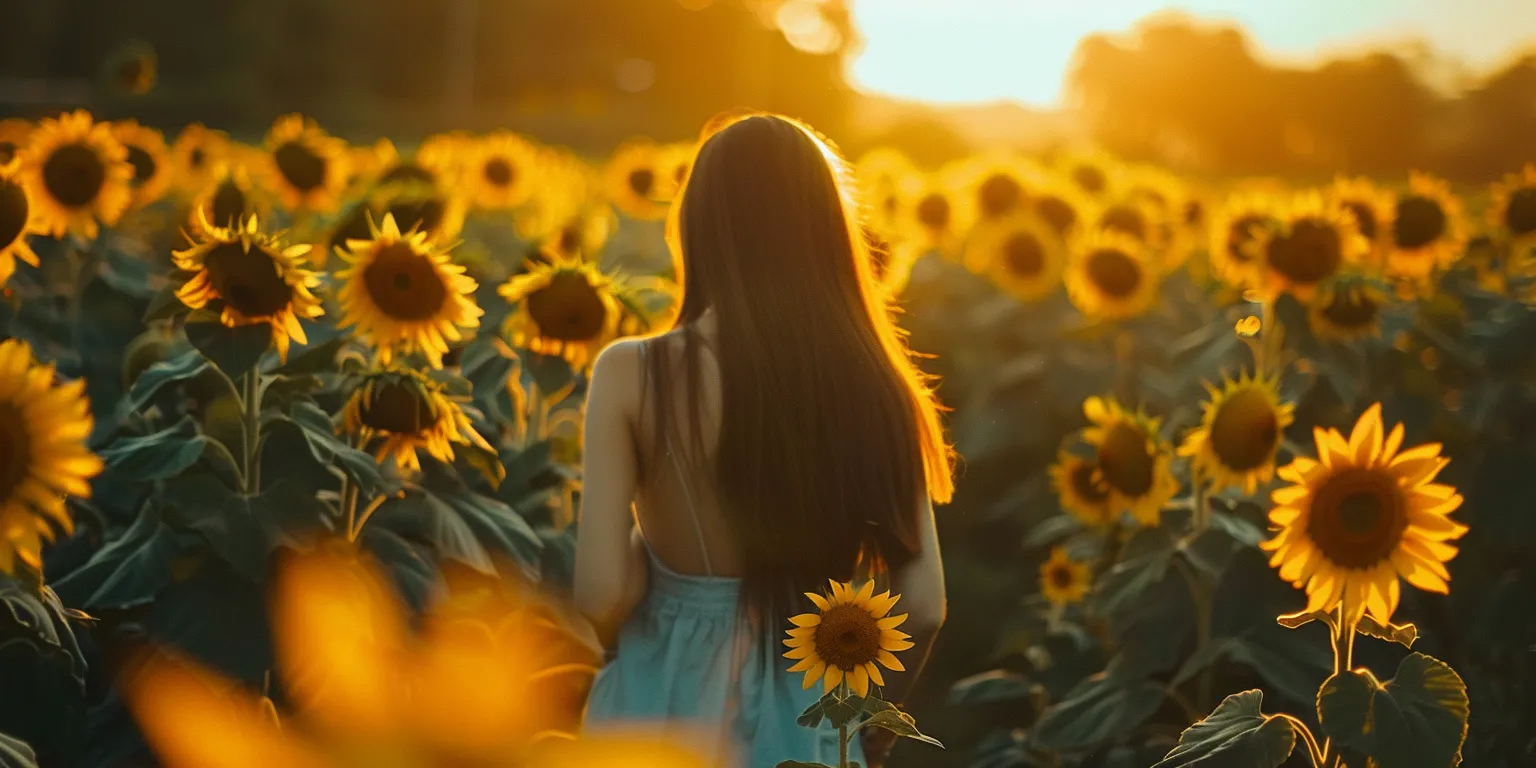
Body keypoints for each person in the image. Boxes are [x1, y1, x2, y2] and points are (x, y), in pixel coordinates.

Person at [576, 112, 953, 768]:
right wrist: (867, 715)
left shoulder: (634, 371)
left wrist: (655, 560)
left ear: (699, 226)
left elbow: (601, 594)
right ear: (830, 231)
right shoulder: (879, 384)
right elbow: (923, 607)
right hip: (808, 718)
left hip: (654, 715)